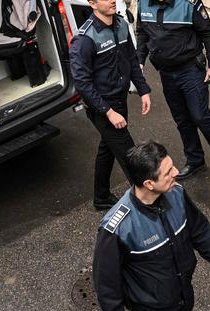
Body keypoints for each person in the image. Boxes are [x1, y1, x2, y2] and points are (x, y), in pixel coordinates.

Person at [93, 141, 210, 311]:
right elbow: (106, 279)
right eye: (168, 172)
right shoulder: (118, 228)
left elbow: (199, 229)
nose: (176, 173)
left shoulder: (177, 193)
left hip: (182, 295)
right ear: (149, 183)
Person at [70, 0, 152, 211]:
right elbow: (82, 83)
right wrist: (108, 112)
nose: (113, 0)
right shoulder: (84, 38)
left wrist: (143, 89)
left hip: (119, 99)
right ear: (92, 4)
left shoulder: (121, 24)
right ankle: (148, 203)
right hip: (102, 106)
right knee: (131, 156)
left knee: (107, 148)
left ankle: (101, 197)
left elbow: (132, 60)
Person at [136, 0, 210, 181]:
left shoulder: (188, 3)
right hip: (166, 72)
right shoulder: (142, 3)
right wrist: (139, 60)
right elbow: (142, 33)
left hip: (190, 69)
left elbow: (207, 33)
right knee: (182, 118)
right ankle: (195, 160)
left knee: (200, 115)